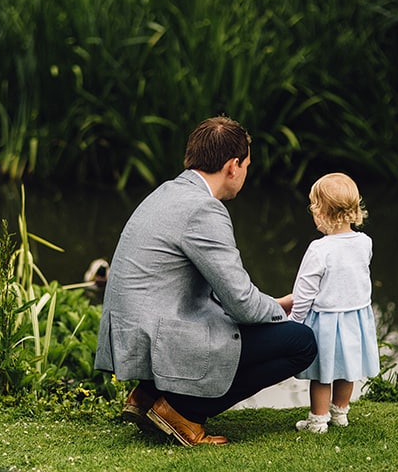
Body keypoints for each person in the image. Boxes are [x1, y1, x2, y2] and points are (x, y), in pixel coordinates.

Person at [95, 115, 317, 446]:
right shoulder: (204, 209)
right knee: (300, 342)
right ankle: (182, 411)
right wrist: (279, 309)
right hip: (161, 336)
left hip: (135, 333)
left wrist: (270, 304)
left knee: (242, 322)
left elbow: (227, 294)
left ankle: (148, 395)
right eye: (246, 165)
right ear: (232, 166)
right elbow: (241, 304)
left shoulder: (166, 192)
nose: (244, 173)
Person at [289, 172, 380, 433]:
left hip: (326, 321)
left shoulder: (320, 249)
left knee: (321, 374)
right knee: (346, 370)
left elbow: (304, 291)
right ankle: (340, 413)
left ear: (323, 213)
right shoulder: (365, 242)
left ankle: (318, 420)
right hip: (355, 317)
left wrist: (294, 322)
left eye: (313, 207)